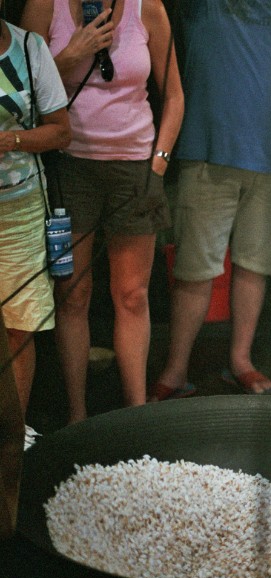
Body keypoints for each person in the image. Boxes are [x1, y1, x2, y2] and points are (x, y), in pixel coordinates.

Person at [149, 0, 271, 400]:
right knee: (195, 267)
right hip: (207, 149)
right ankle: (175, 369)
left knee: (256, 263)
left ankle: (241, 361)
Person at [21, 0, 183, 423]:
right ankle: (77, 417)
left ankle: (136, 414)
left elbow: (176, 96)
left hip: (135, 168)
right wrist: (72, 54)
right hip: (69, 166)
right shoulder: (44, 7)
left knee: (132, 295)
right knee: (73, 294)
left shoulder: (147, 8)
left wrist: (159, 162)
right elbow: (21, 93)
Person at [0, 14, 70, 413]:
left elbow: (61, 131)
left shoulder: (30, 48)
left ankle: (13, 434)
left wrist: (12, 139)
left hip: (21, 208)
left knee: (19, 327)